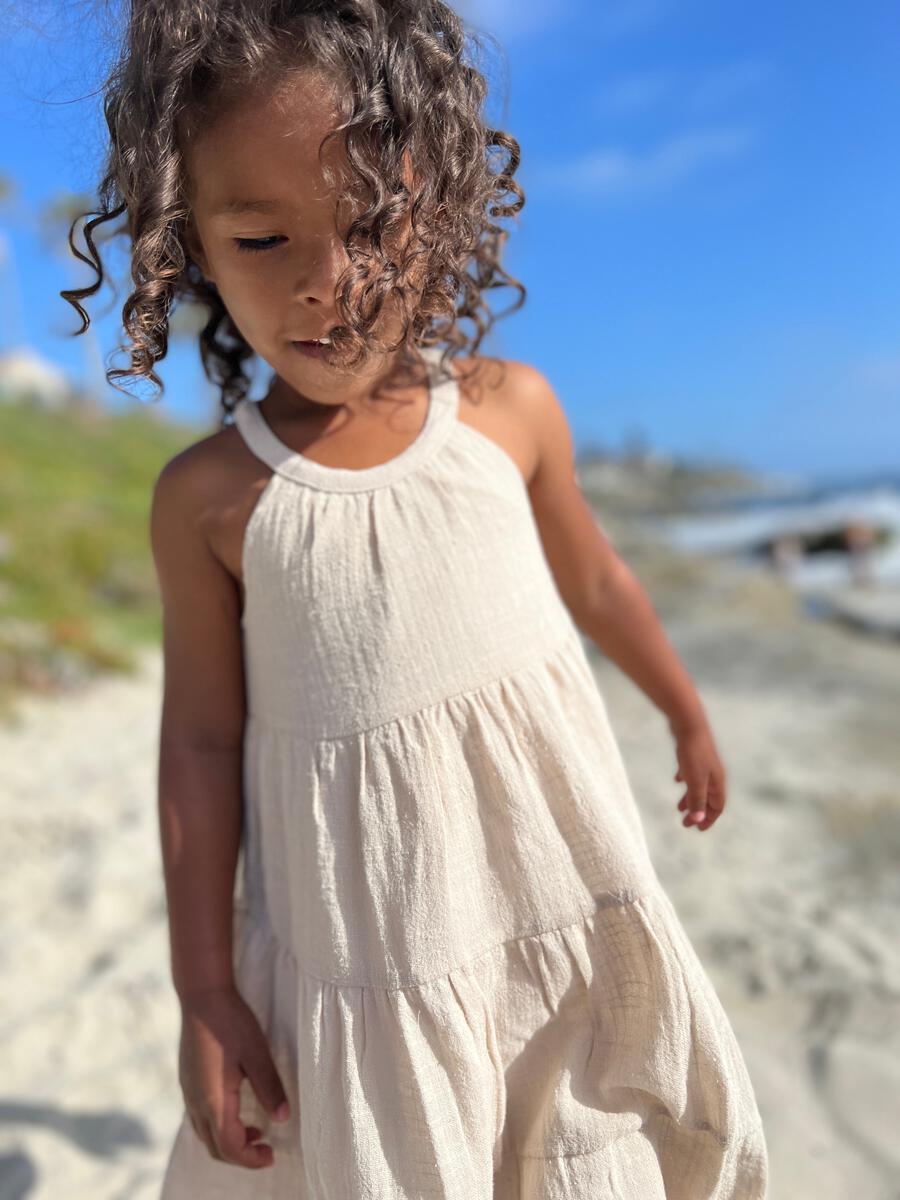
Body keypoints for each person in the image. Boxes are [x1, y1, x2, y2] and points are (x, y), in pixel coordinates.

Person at [62, 2, 769, 1196]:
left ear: (440, 205)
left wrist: (684, 710)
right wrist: (203, 986)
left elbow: (598, 579)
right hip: (365, 961)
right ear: (188, 247)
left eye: (369, 224)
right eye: (263, 239)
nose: (325, 282)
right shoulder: (211, 500)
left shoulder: (509, 412)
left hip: (554, 912)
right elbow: (199, 743)